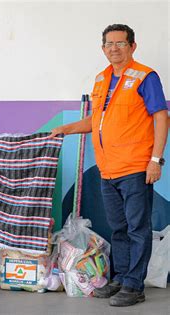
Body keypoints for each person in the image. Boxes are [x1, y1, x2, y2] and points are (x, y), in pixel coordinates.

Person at [51, 24, 168, 307]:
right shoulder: (102, 79)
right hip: (108, 169)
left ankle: (134, 285)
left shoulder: (145, 77)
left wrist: (155, 160)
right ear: (103, 48)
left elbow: (161, 117)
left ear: (132, 46)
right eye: (109, 44)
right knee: (118, 227)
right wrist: (65, 128)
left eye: (120, 43)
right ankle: (120, 277)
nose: (114, 48)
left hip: (136, 167)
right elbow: (96, 122)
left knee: (137, 228)